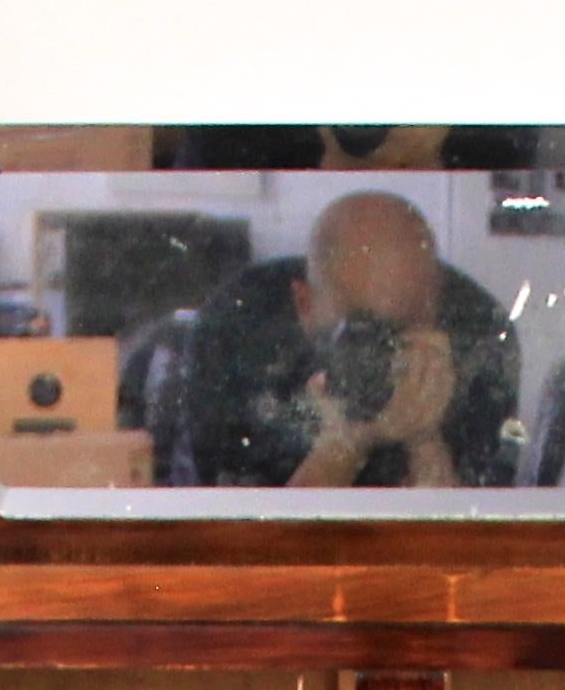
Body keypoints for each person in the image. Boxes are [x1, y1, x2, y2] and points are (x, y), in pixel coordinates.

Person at [183, 191, 522, 490]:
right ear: (305, 306)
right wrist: (344, 442)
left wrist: (425, 440)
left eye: (405, 330)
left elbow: (465, 546)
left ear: (435, 312)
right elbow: (250, 549)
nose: (385, 351)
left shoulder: (477, 352)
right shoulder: (239, 350)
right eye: (362, 331)